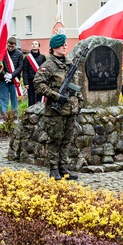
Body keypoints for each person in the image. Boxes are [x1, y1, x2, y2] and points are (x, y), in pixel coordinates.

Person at [33, 33, 84, 180]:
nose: (65, 46)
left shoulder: (69, 64)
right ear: (54, 47)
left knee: (66, 140)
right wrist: (55, 96)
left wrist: (79, 101)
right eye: (62, 44)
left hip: (70, 109)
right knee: (55, 139)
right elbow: (38, 84)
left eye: (66, 44)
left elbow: (75, 86)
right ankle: (53, 169)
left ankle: (63, 167)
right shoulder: (48, 66)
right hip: (55, 110)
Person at [0, 36, 24, 115]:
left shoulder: (19, 54)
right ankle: (3, 116)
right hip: (4, 79)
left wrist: (12, 75)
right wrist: (5, 75)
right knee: (3, 98)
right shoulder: (3, 52)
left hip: (14, 80)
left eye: (12, 46)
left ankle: (15, 116)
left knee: (14, 99)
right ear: (7, 44)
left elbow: (20, 67)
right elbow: (0, 65)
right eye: (9, 46)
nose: (10, 48)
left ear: (15, 45)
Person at [21, 40, 46, 105]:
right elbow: (25, 71)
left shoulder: (42, 57)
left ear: (38, 46)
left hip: (40, 81)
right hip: (30, 80)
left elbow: (45, 70)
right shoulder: (27, 57)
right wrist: (26, 83)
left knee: (39, 98)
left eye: (36, 44)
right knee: (31, 99)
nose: (34, 45)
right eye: (33, 44)